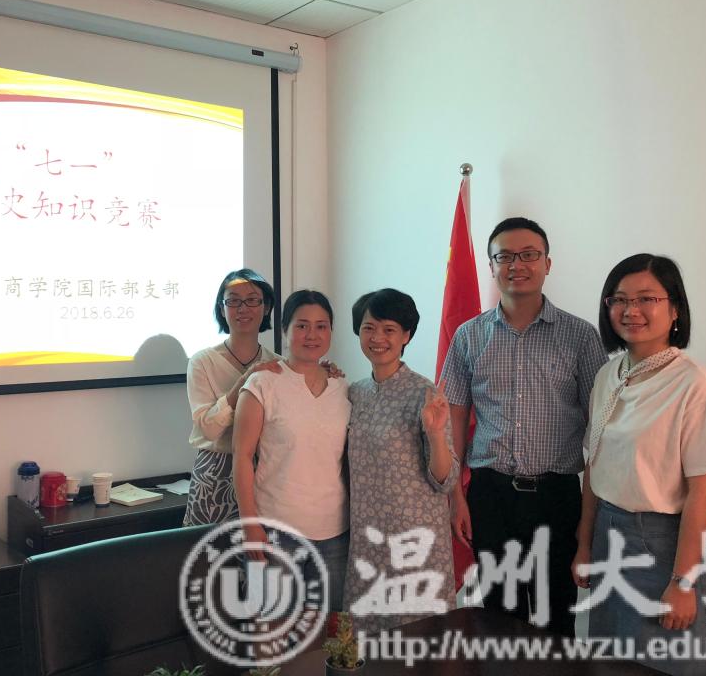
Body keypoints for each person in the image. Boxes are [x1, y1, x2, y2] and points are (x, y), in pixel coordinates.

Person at [442, 216, 607, 636]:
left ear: (547, 263)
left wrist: (590, 515)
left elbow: (602, 427)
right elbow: (454, 418)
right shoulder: (468, 336)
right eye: (505, 257)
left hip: (557, 497)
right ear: (491, 266)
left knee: (556, 619)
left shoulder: (580, 337)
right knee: (499, 617)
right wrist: (456, 496)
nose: (517, 265)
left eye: (529, 255)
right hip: (490, 495)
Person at [573, 254, 706, 675]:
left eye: (647, 298)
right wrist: (585, 544)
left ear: (675, 308)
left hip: (663, 545)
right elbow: (595, 466)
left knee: (668, 661)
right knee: (611, 660)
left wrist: (683, 582)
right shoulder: (609, 375)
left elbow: (703, 494)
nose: (631, 310)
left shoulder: (695, 386)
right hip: (608, 534)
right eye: (620, 299)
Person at [343, 288, 459, 633]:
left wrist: (435, 434)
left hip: (414, 541)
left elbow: (445, 479)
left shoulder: (425, 394)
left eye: (389, 329)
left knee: (417, 641)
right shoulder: (355, 393)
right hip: (367, 539)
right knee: (366, 642)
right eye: (369, 328)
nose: (377, 338)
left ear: (406, 335)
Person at [233, 289, 351, 611]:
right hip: (274, 531)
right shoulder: (262, 383)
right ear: (284, 330)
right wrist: (249, 524)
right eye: (301, 326)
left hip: (334, 534)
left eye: (321, 326)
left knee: (328, 629)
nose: (312, 335)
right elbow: (242, 457)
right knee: (270, 626)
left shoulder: (344, 387)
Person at [184, 269, 278, 526]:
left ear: (266, 307)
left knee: (262, 549)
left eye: (252, 300)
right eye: (233, 301)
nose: (243, 308)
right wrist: (245, 380)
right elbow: (208, 429)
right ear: (222, 308)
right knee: (210, 550)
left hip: (265, 471)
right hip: (216, 472)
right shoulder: (202, 361)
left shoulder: (278, 364)